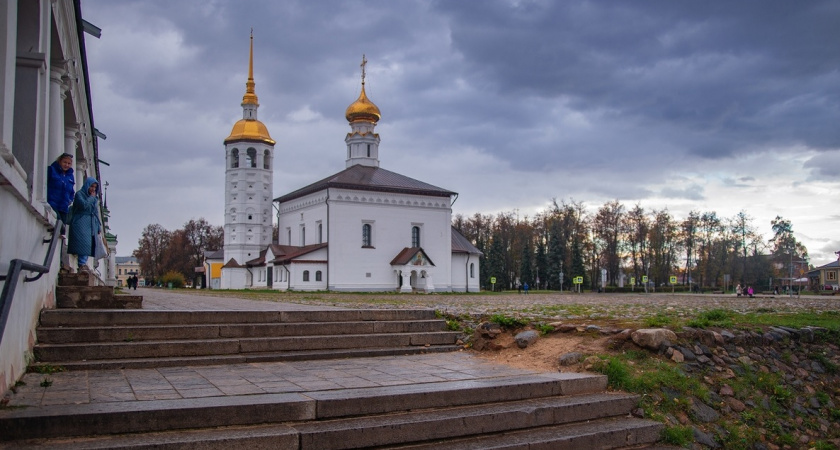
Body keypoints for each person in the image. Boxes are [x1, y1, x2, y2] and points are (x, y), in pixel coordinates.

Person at [67, 177, 101, 272]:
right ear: (87, 185)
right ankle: (81, 264)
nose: (93, 189)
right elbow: (83, 205)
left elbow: (96, 211)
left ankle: (83, 263)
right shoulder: (79, 194)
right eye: (91, 186)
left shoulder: (94, 197)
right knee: (83, 242)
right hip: (80, 221)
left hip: (90, 223)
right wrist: (91, 198)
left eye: (95, 187)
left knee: (88, 244)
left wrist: (98, 227)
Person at [47, 153, 75, 231]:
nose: (66, 165)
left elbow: (72, 191)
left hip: (64, 206)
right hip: (53, 203)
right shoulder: (52, 170)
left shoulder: (70, 176)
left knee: (62, 229)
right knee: (57, 224)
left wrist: (70, 199)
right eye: (64, 162)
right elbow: (45, 183)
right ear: (60, 161)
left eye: (69, 163)